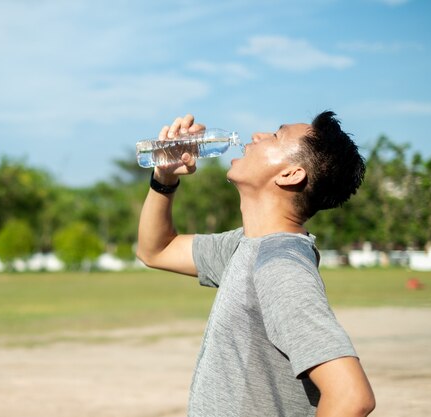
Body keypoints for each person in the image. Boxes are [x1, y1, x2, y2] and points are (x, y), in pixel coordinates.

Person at [136, 112, 375, 417]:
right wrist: (165, 178)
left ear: (291, 174)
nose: (258, 135)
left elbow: (351, 396)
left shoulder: (281, 266)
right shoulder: (246, 246)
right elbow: (156, 249)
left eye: (277, 136)